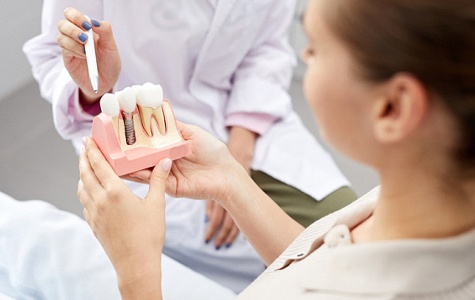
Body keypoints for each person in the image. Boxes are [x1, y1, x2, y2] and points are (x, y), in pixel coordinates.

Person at [78, 0, 475, 298]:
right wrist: (229, 180)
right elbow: (322, 265)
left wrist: (137, 271)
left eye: (315, 48)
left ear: (393, 108)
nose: (302, 55)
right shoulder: (420, 202)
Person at [22, 0, 356, 292]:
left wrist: (240, 146)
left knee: (344, 237)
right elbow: (55, 56)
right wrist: (94, 86)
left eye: (316, 51)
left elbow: (267, 47)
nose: (308, 55)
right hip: (138, 137)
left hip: (251, 124)